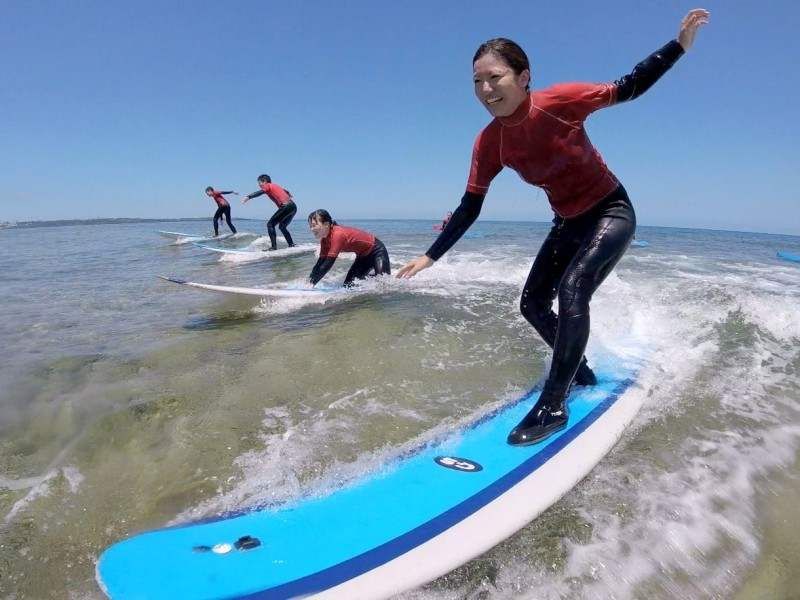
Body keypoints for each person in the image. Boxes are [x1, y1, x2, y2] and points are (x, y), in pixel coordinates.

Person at [397, 10, 709, 446]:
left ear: (524, 77)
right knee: (532, 304)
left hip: (610, 211)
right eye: (477, 82)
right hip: (567, 221)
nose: (486, 90)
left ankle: (553, 403)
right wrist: (432, 255)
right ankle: (579, 371)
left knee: (573, 289)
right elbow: (470, 205)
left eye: (495, 77)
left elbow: (629, 85)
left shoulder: (560, 102)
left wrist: (678, 46)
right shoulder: (490, 143)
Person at [307, 209, 391, 287]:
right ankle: (372, 277)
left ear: (326, 224)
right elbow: (320, 263)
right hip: (363, 257)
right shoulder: (324, 240)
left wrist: (311, 285)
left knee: (383, 284)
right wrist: (308, 282)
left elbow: (327, 264)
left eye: (314, 225)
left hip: (377, 251)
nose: (311, 229)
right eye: (310, 226)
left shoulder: (337, 234)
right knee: (348, 286)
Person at [242, 174, 297, 251]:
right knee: (282, 227)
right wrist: (289, 194)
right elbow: (285, 190)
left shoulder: (267, 185)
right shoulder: (275, 185)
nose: (259, 185)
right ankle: (291, 244)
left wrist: (248, 197)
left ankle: (273, 247)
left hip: (286, 206)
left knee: (270, 225)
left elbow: (261, 192)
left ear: (264, 181)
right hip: (293, 207)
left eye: (259, 183)